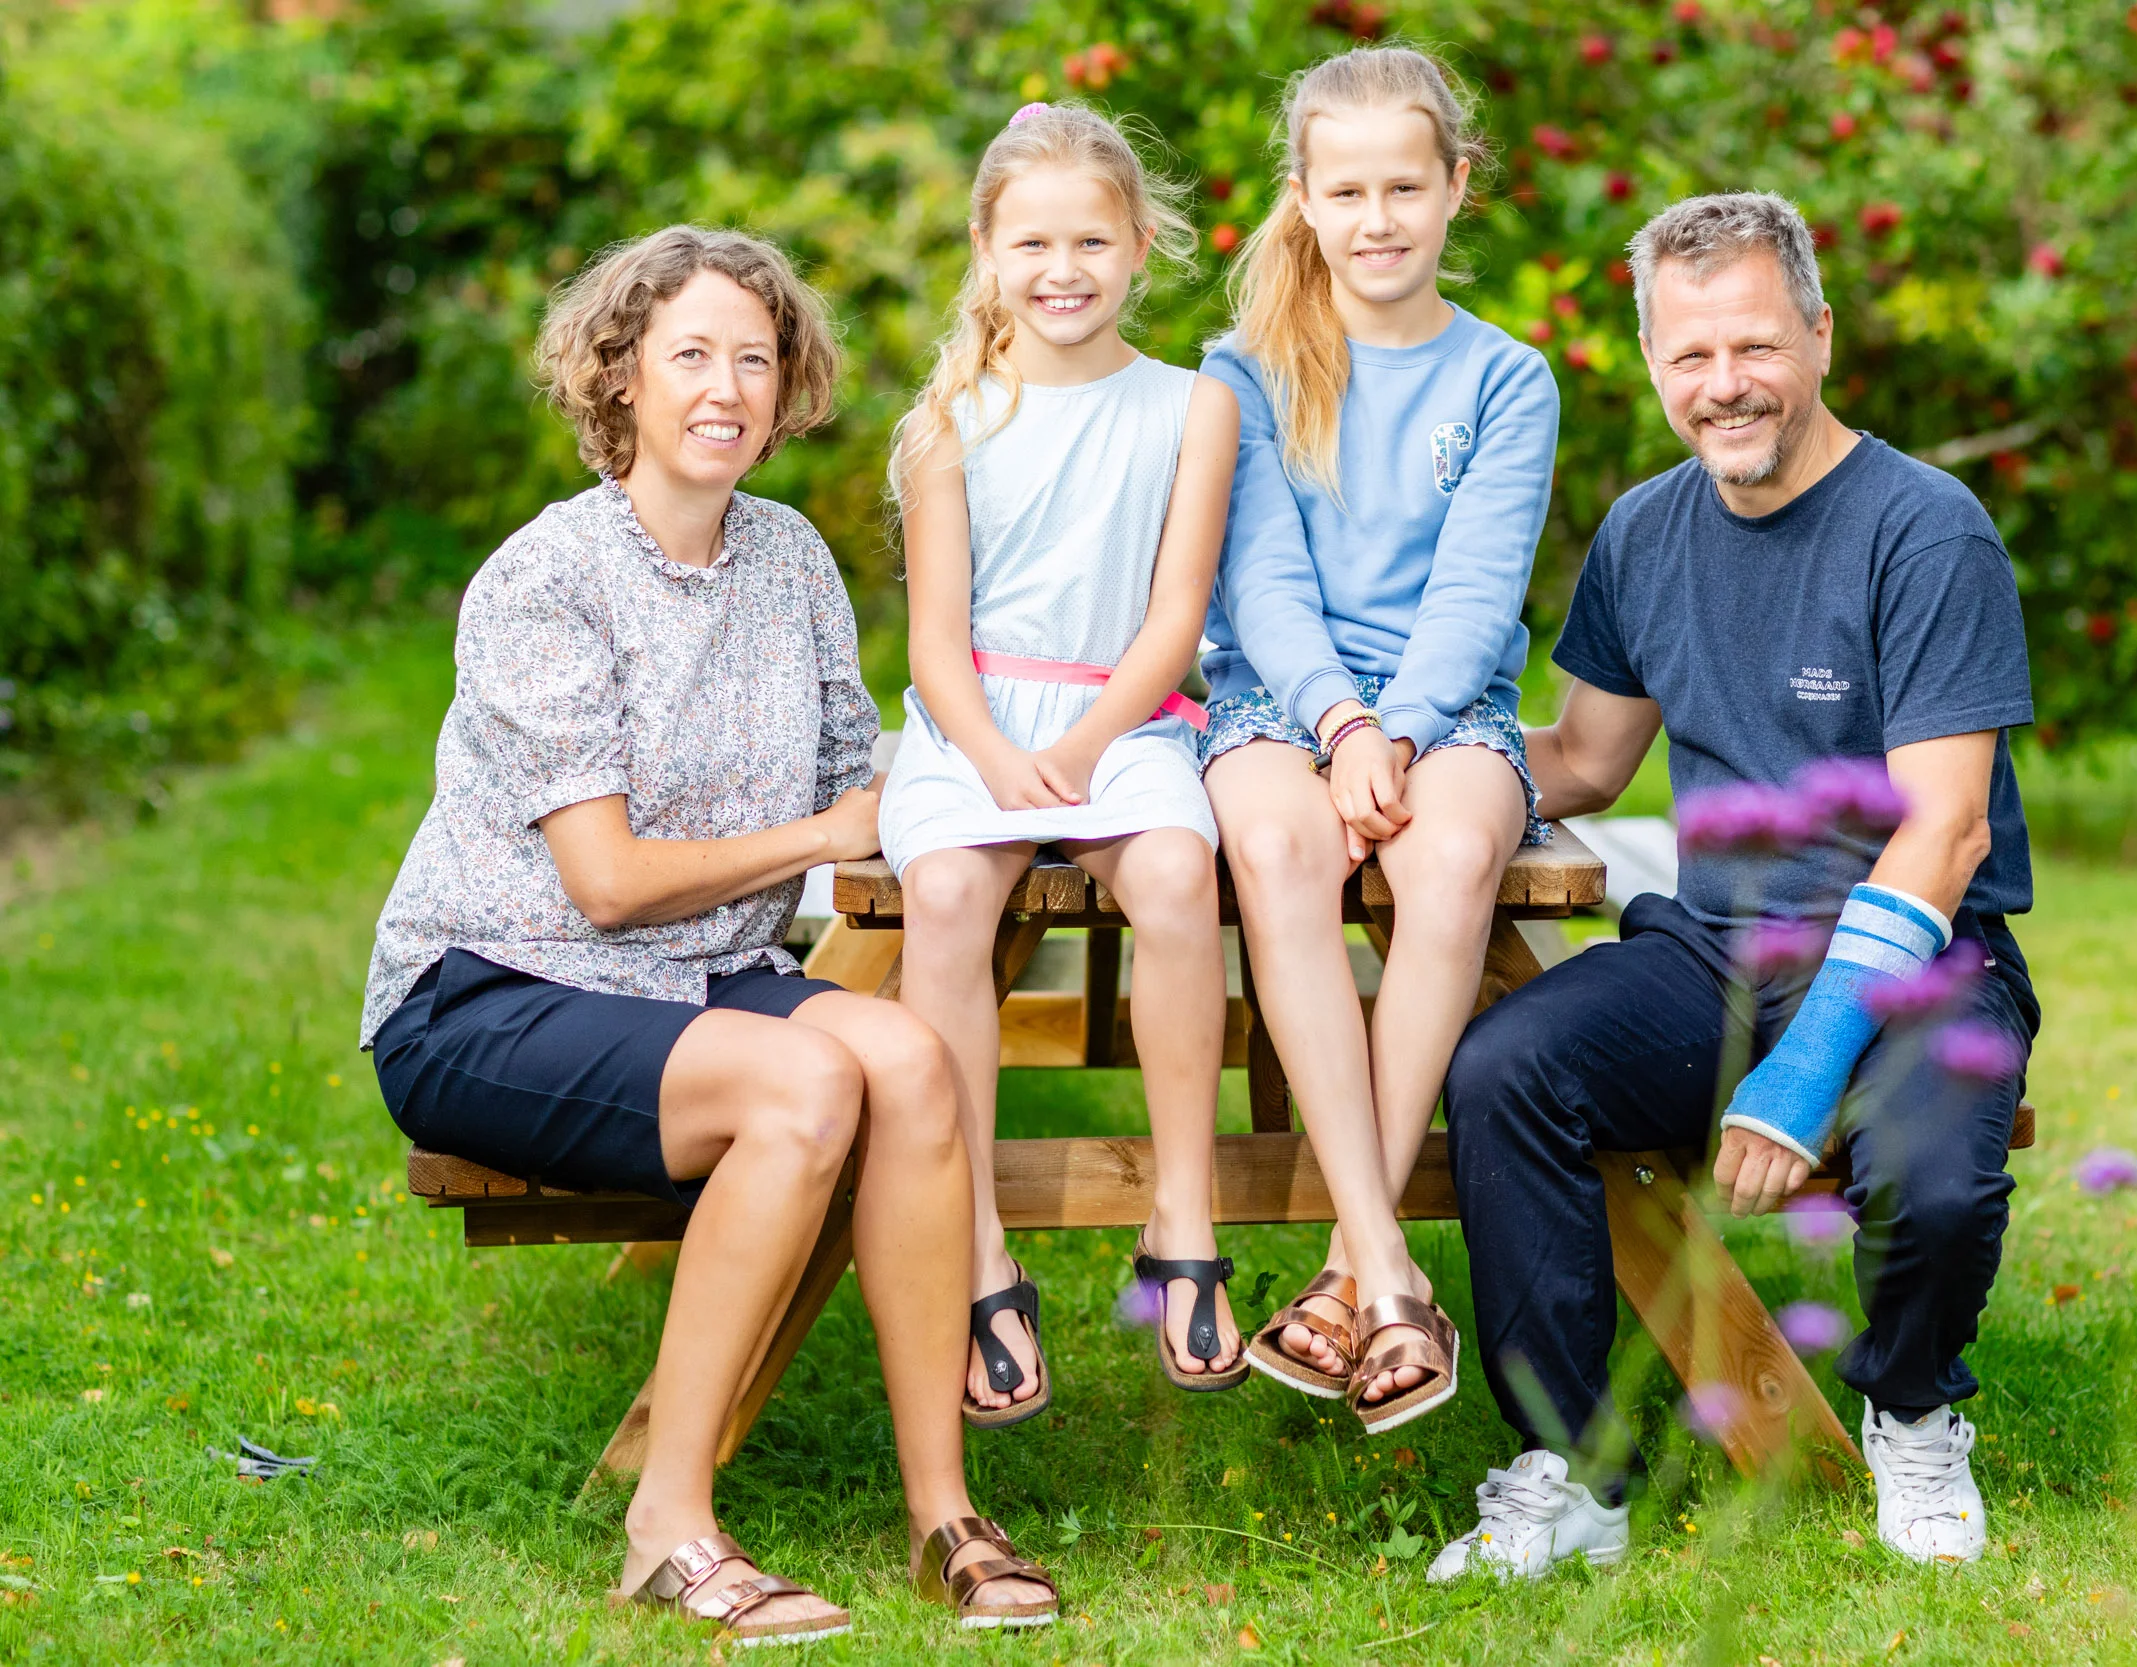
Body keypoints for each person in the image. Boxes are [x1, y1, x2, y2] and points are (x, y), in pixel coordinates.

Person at [362, 226, 1057, 1639]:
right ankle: (667, 1521)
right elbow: (607, 880)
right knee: (805, 1082)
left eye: (756, 355)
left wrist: (1000, 796)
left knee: (915, 1062)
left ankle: (944, 1513)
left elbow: (867, 777)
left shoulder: (790, 559)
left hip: (702, 985)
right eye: (690, 354)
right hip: (492, 989)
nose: (727, 385)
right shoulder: (544, 580)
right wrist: (823, 839)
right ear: (619, 379)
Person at [1433, 191, 2042, 1579]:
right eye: (1691, 356)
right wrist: (1372, 755)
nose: (1725, 386)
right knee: (1504, 1070)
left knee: (1935, 1180)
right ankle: (1571, 1466)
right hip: (1713, 947)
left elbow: (1943, 833)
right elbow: (1584, 758)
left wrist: (1806, 1063)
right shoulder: (1645, 532)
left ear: (1820, 337)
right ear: (1651, 363)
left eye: (1755, 347)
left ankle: (1909, 1408)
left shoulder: (1926, 530)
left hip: (1921, 956)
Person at [1200, 46, 1560, 1434]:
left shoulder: (1506, 379)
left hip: (1447, 705)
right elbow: (1262, 584)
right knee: (1279, 848)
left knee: (1458, 852)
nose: (1378, 218)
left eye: (1405, 186)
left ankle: (1352, 1274)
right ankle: (1392, 1266)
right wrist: (1341, 725)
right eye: (1345, 190)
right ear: (1302, 199)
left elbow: (1475, 595)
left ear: (1457, 188)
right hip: (1276, 703)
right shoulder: (1243, 374)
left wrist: (1399, 731)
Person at [880, 103, 1245, 1423]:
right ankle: (975, 1242)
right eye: (1031, 241)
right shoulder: (947, 421)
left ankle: (1184, 1217)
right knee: (951, 896)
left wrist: (1085, 748)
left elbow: (1176, 614)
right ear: (986, 248)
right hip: (972, 720)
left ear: (1141, 245)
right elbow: (932, 644)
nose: (1063, 268)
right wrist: (995, 756)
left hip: (1125, 712)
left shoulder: (1192, 406)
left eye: (1093, 238)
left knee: (1172, 871)